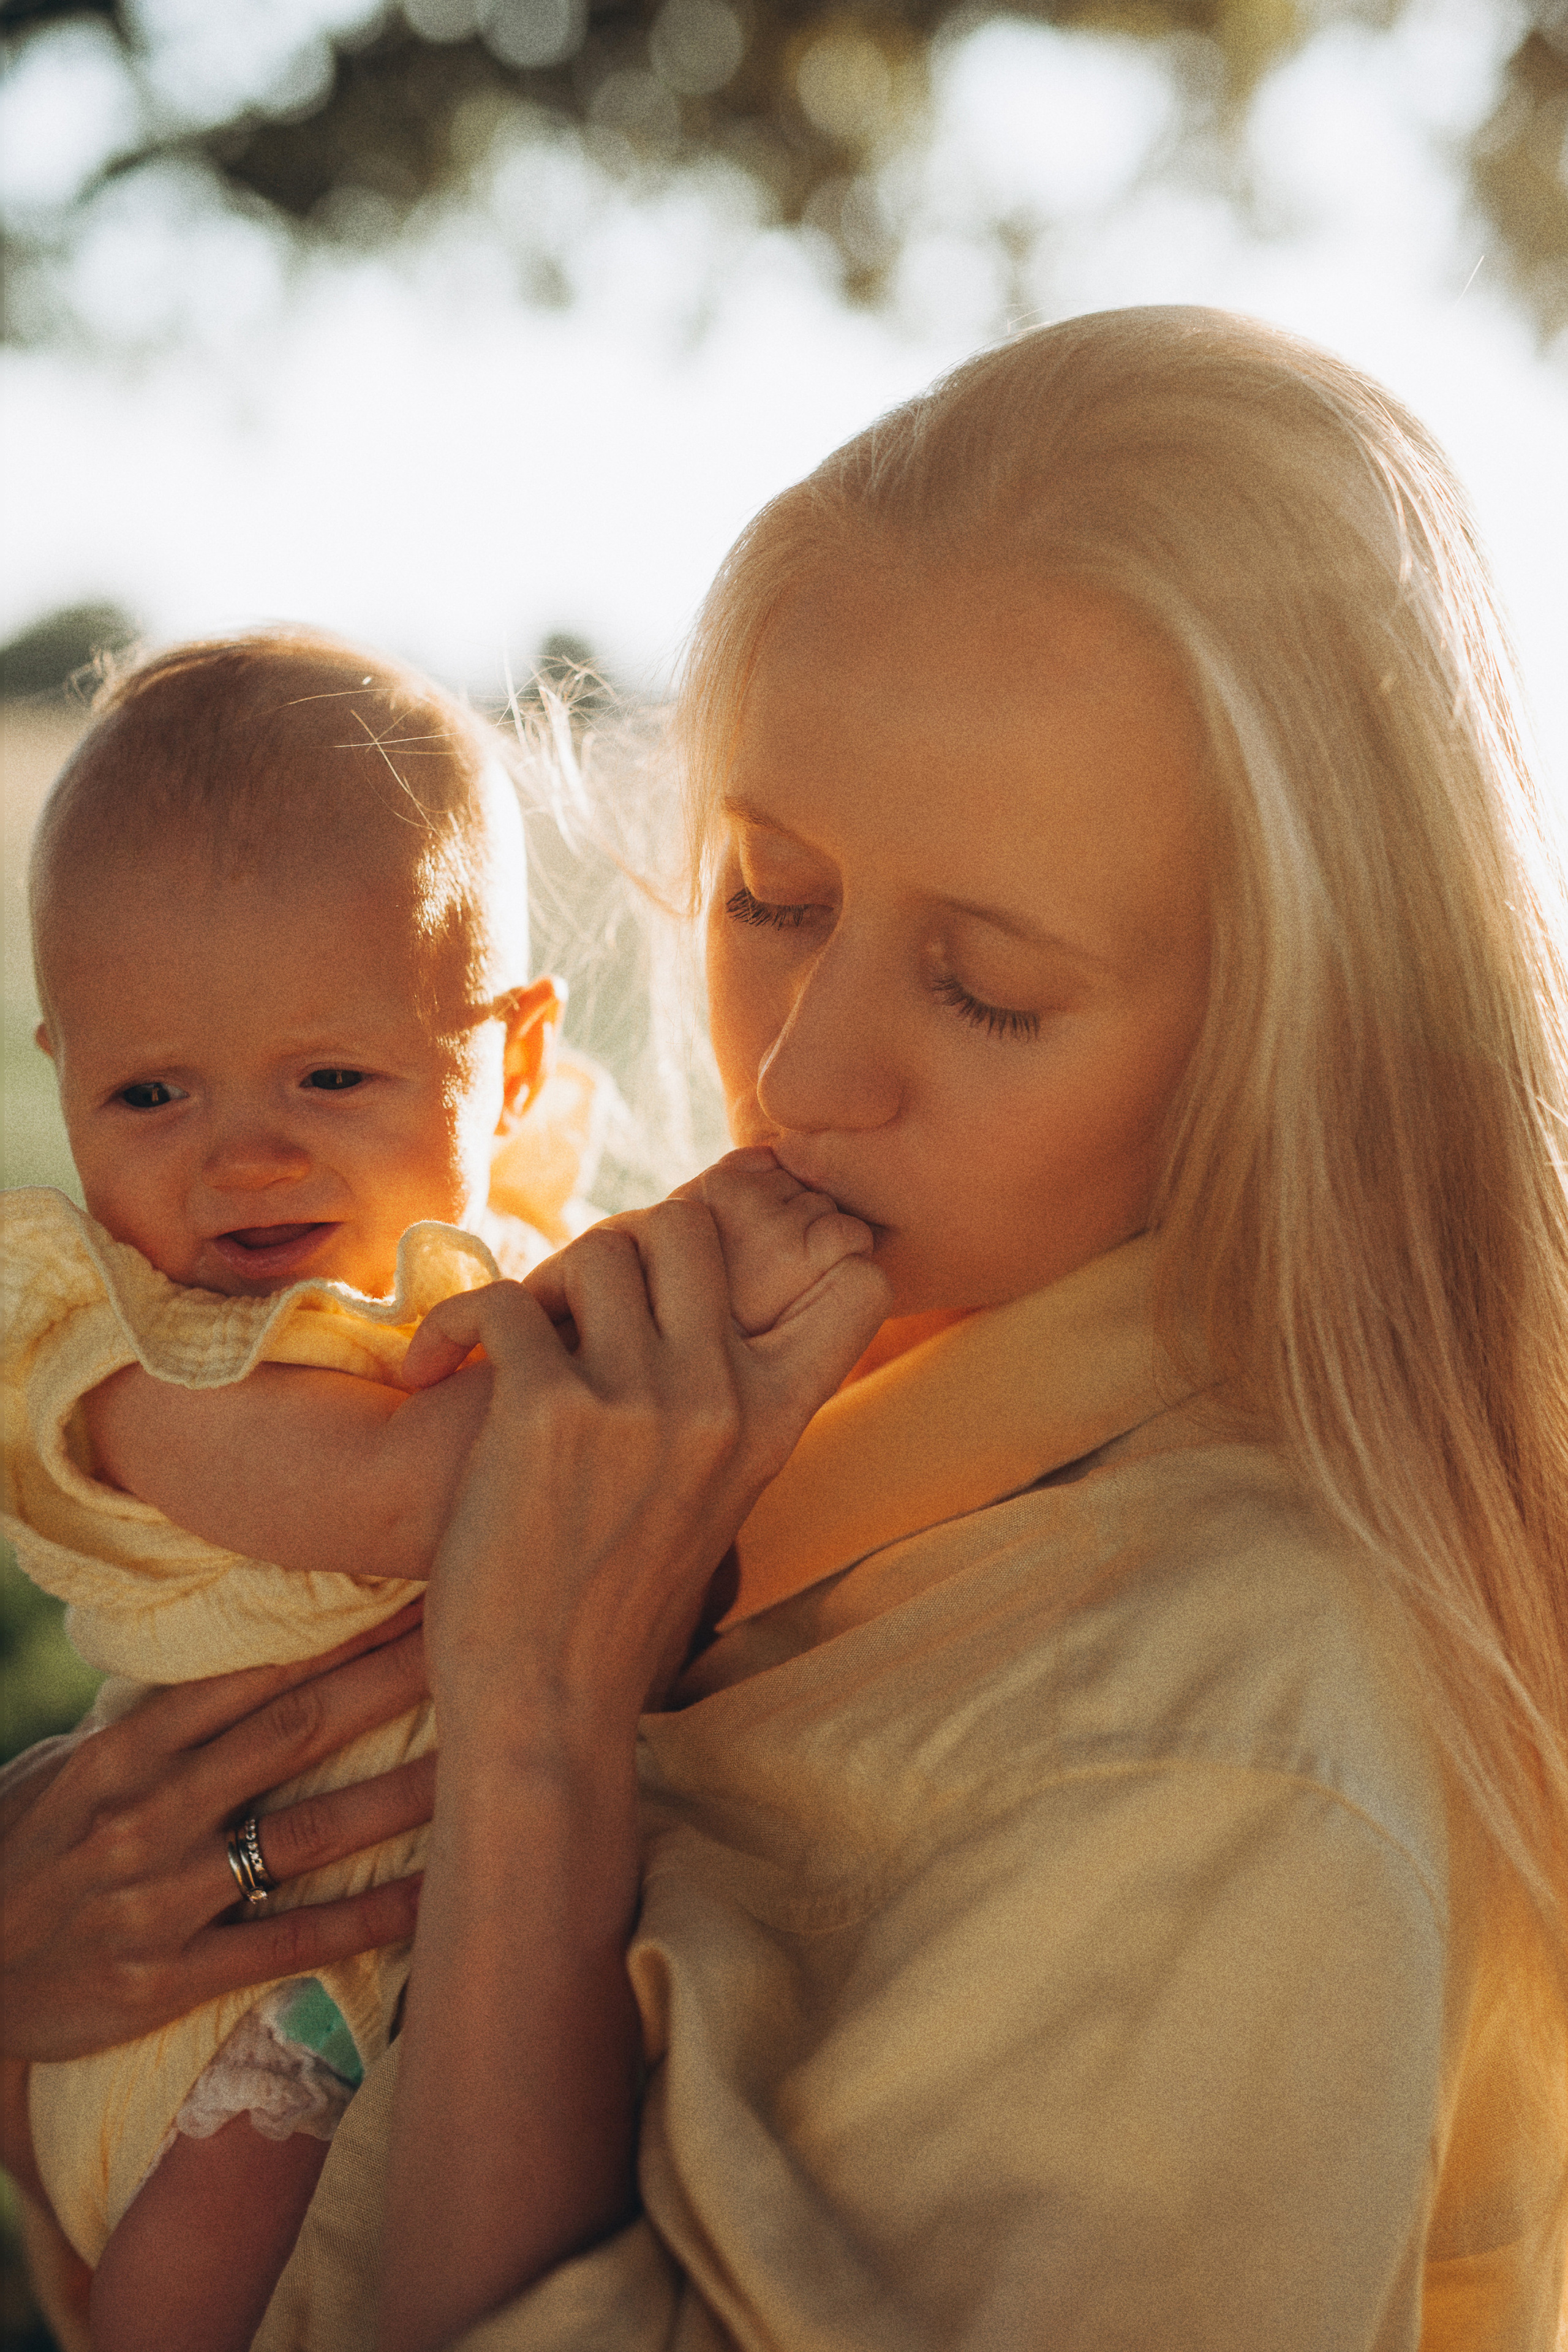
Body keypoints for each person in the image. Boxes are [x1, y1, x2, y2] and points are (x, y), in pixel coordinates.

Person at [6, 304, 1568, 2352]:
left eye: (990, 986)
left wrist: (548, 1728)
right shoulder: (736, 1391)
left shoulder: (1230, 1755)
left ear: (1298, 1039)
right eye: (768, 896)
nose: (806, 1071)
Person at [0, 628, 874, 2352]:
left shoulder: (491, 1248)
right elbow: (431, 1489)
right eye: (149, 1091)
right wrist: (713, 1279)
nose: (241, 1154)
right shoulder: (126, 1357)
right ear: (61, 1072)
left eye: (330, 1076)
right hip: (226, 1994)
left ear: (515, 1067)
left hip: (425, 1930)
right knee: (204, 2289)